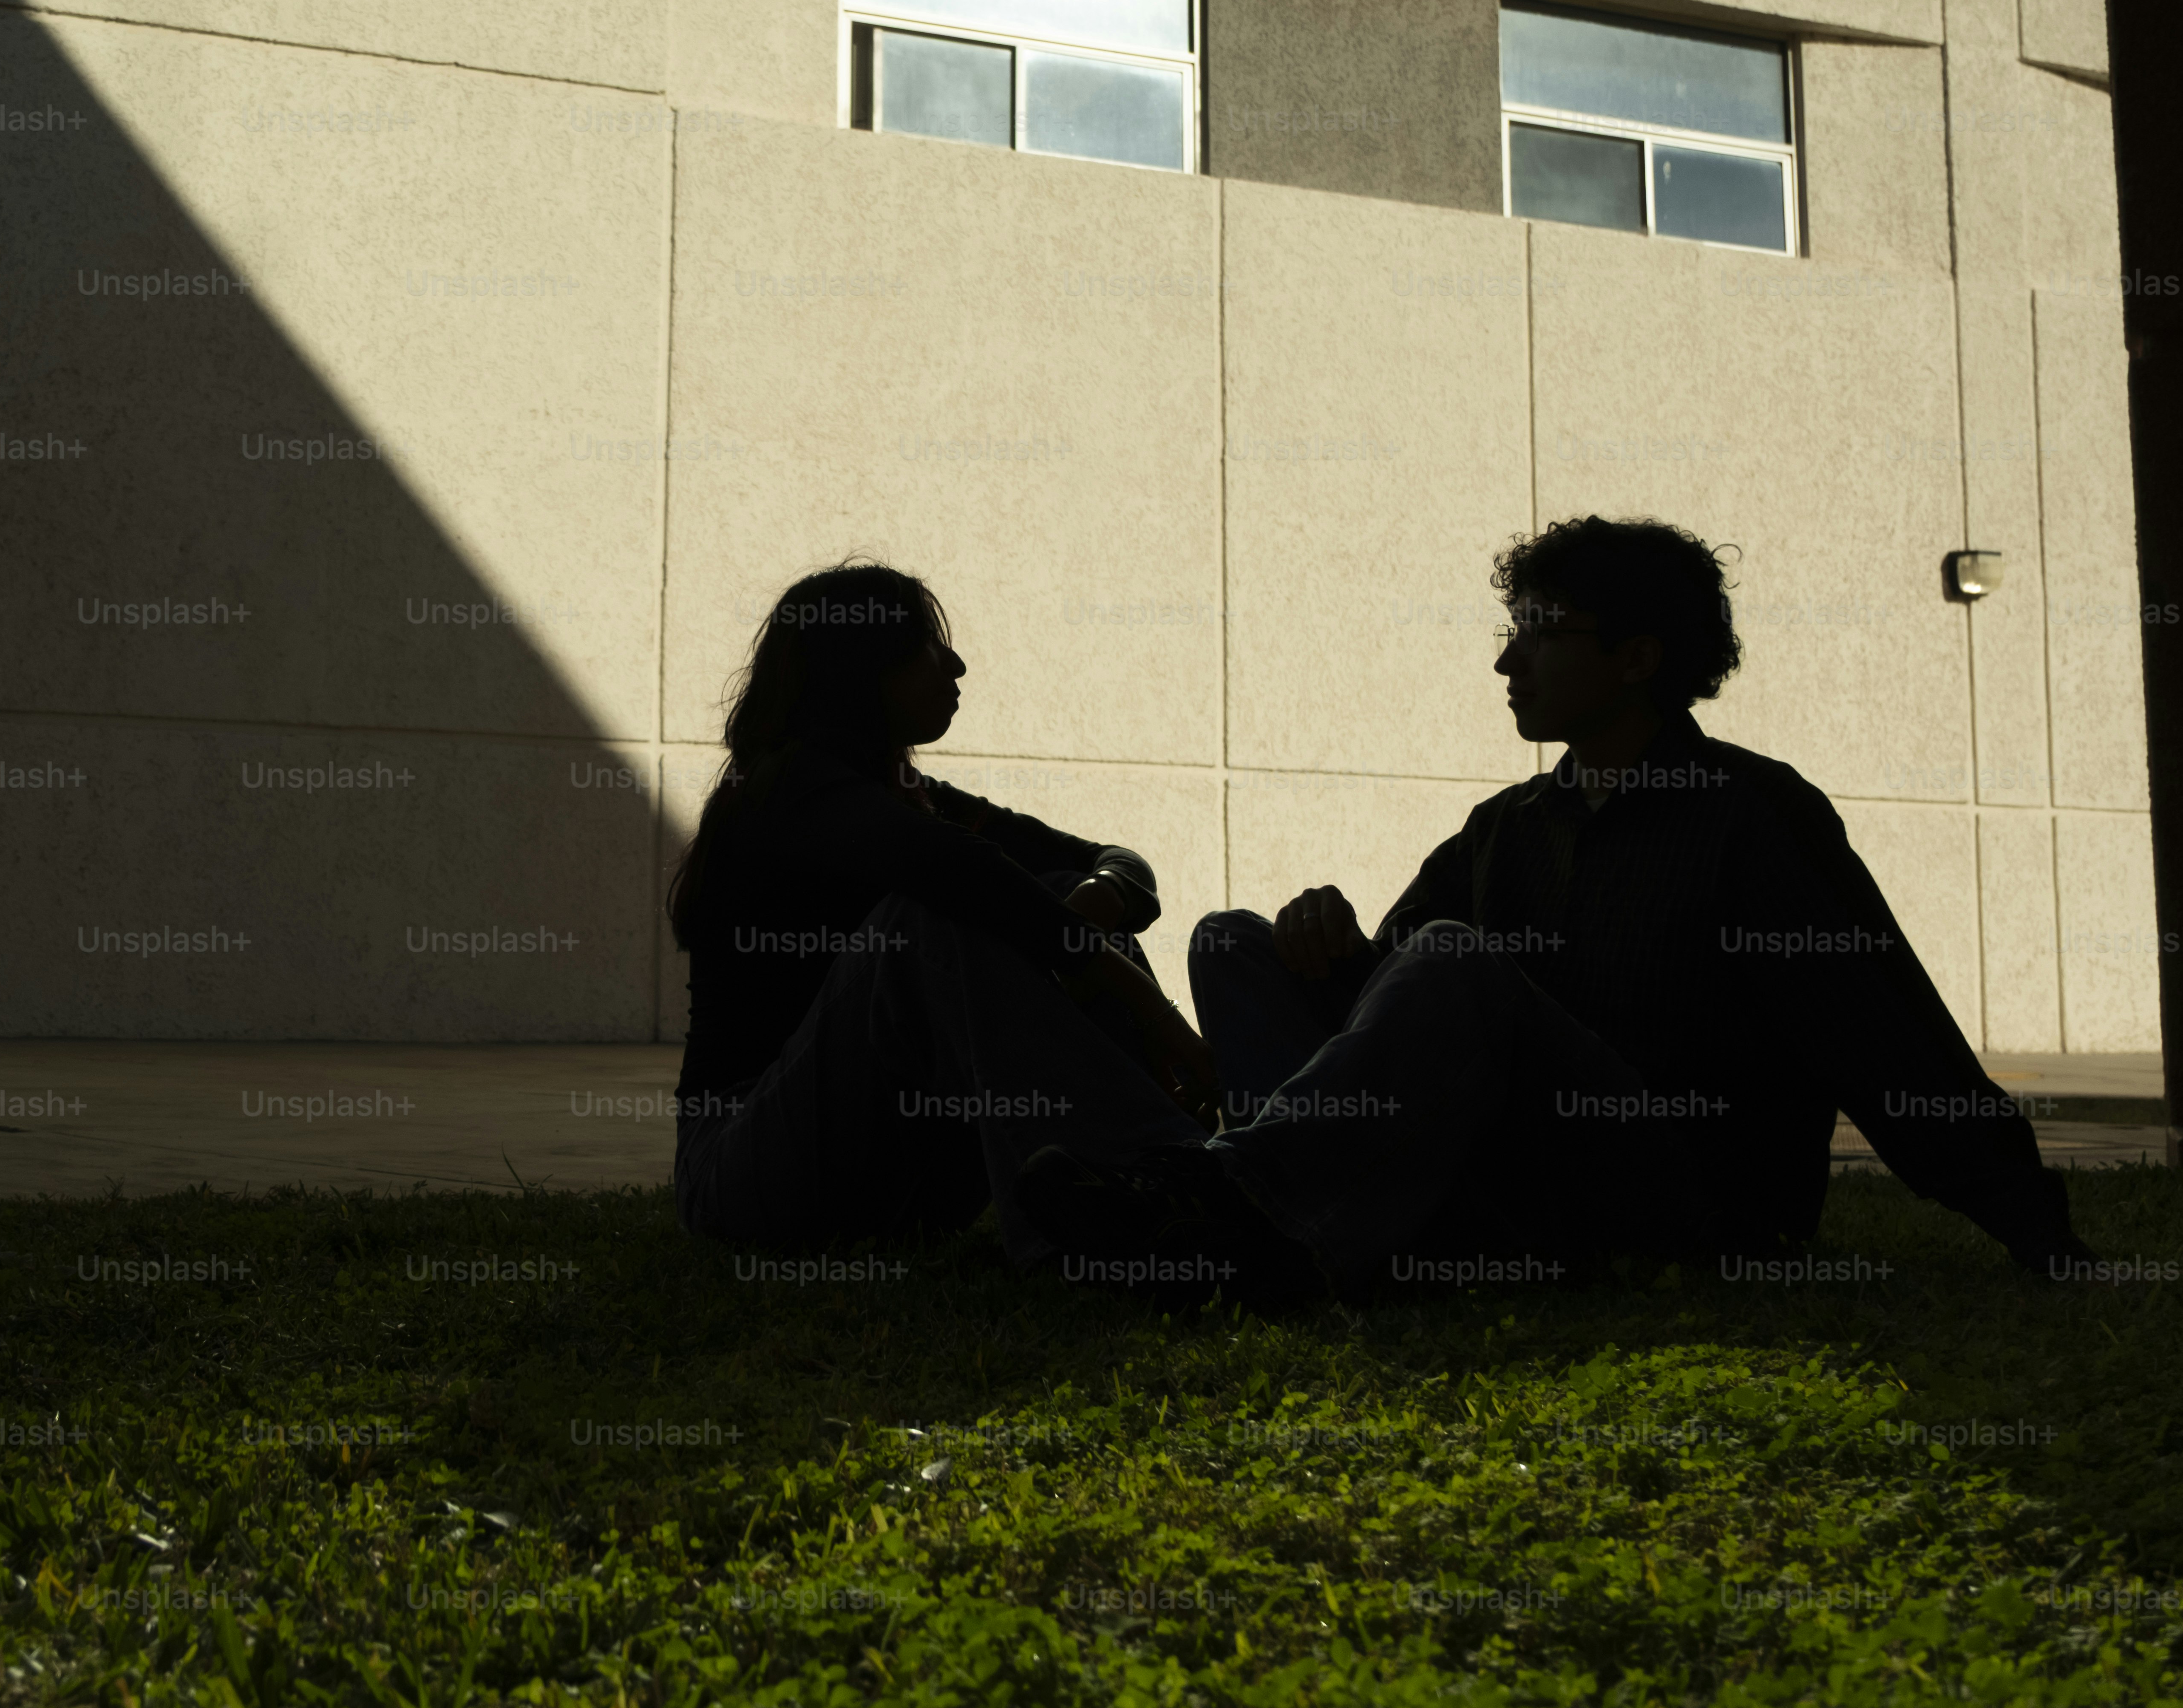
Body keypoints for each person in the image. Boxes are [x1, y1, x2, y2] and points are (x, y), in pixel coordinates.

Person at [1018, 515, 2104, 1308]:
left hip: (1683, 1199)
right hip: (1517, 1180)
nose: (1506, 659)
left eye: (1539, 633)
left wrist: (2036, 1227)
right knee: (1233, 940)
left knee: (1448, 954)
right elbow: (1390, 1010)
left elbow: (1882, 1027)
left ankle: (1228, 1216)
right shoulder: (1508, 824)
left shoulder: (1751, 812)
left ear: (1637, 658)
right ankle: (1281, 1225)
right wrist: (1323, 935)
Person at [669, 563, 1299, 1283]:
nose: (957, 665)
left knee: (1056, 893)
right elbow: (957, 873)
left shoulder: (915, 799)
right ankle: (1184, 1185)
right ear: (860, 669)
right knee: (937, 919)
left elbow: (1115, 860)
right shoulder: (786, 797)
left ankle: (1149, 1188)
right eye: (928, 647)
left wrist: (1100, 900)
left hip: (896, 1180)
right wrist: (1150, 1010)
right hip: (741, 1173)